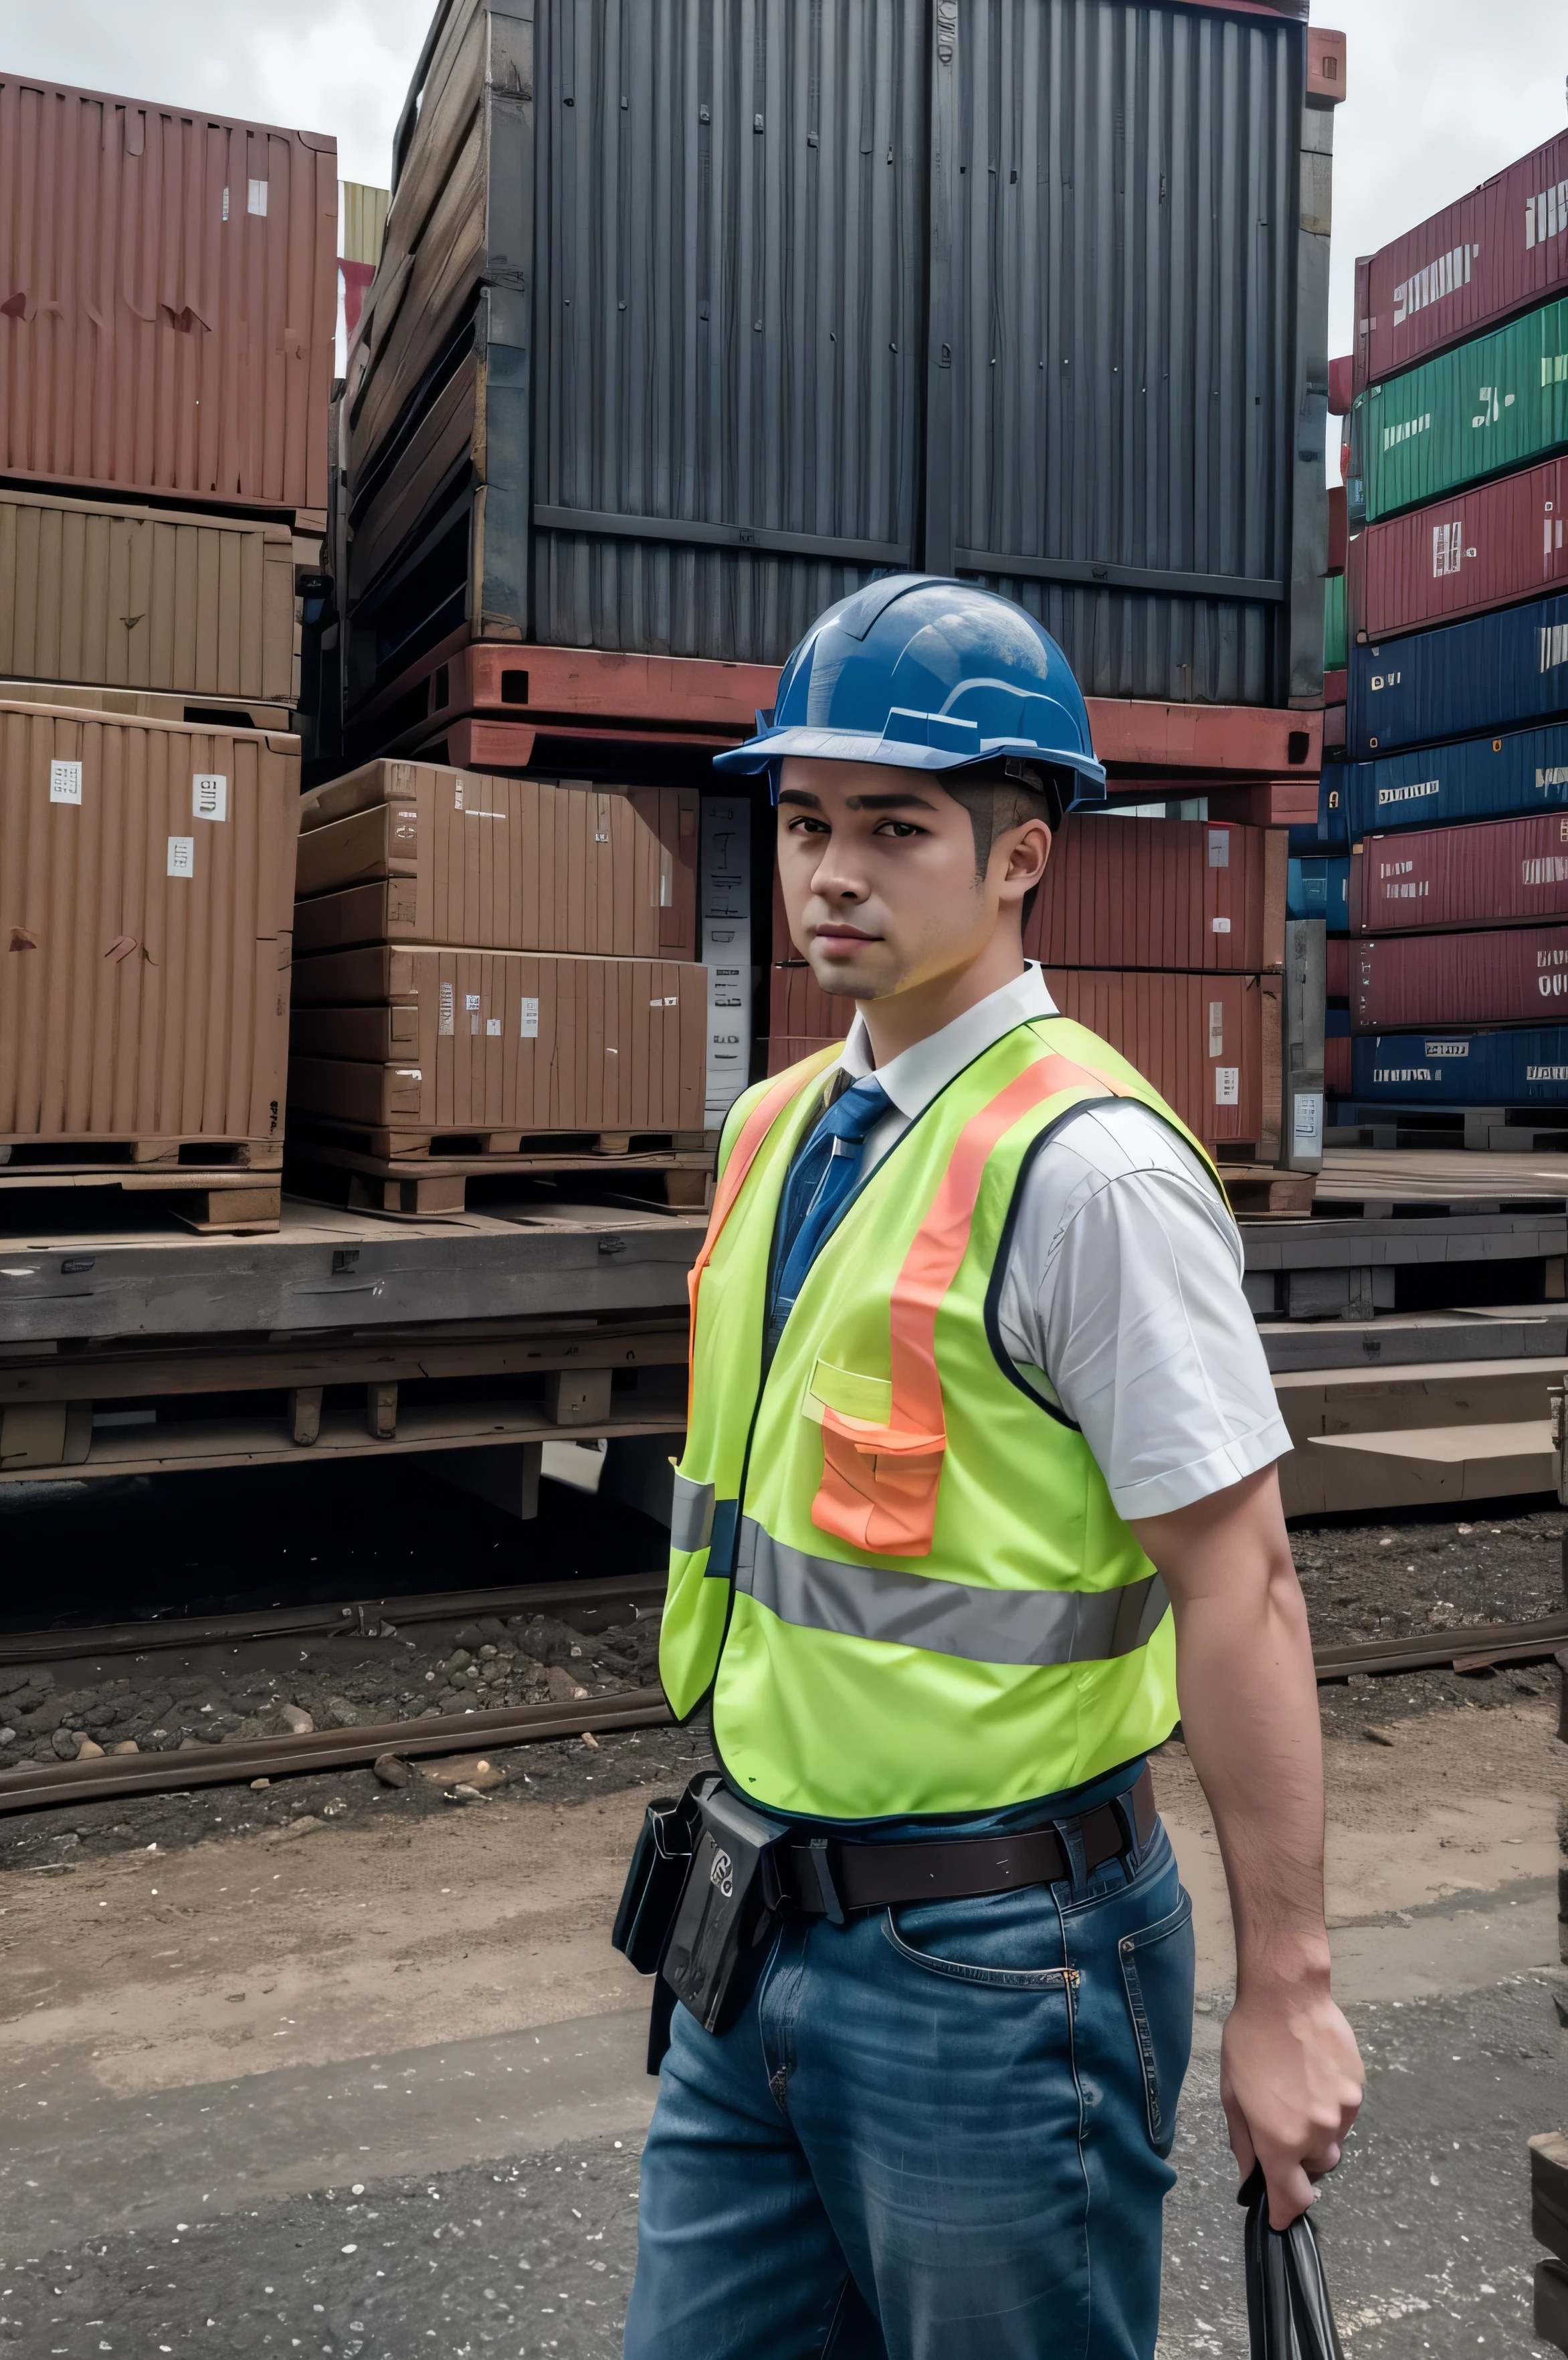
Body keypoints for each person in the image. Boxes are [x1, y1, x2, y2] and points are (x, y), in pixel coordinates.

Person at [622, 576, 1363, 2360]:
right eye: (803, 824)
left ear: (1023, 852)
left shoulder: (1090, 1171)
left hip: (1000, 1969)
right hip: (750, 1924)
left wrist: (1292, 1995)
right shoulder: (776, 1126)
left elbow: (1240, 1584)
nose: (832, 873)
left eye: (895, 826)